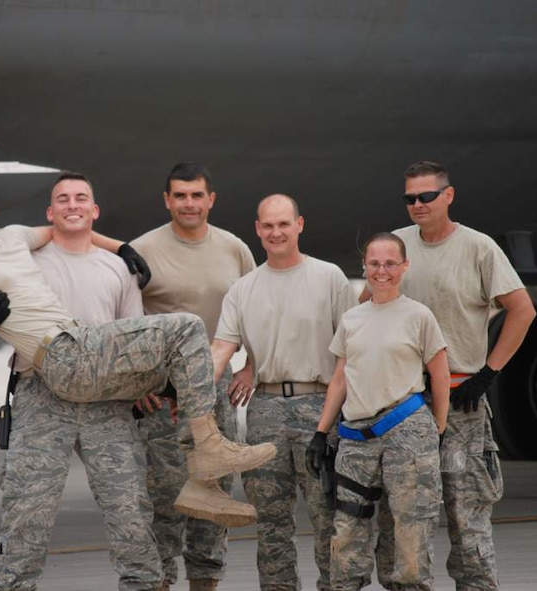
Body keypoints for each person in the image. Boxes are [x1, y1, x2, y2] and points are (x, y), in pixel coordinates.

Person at [0, 183, 278, 527]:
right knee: (187, 326)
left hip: (88, 353)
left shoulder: (14, 237)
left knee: (175, 363)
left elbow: (64, 229)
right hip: (66, 356)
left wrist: (120, 248)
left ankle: (201, 482)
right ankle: (209, 449)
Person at [0, 172, 163, 591]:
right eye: (63, 200)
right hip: (41, 394)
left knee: (130, 510)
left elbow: (133, 334)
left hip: (107, 400)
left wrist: (142, 386)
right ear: (50, 213)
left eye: (81, 198)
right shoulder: (24, 264)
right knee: (27, 510)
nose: (73, 205)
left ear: (94, 210)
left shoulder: (116, 268)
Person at [370, 161, 536, 590]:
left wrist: (489, 373)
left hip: (462, 403)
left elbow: (522, 310)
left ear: (448, 195)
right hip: (404, 408)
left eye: (427, 196)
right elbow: (367, 310)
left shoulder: (478, 248)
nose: (418, 205)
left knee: (467, 516)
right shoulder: (396, 246)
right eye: (410, 198)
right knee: (402, 517)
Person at [211, 194, 355, 591]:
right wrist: (190, 387)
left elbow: (352, 348)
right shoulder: (243, 289)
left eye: (283, 224)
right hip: (265, 410)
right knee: (271, 527)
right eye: (268, 226)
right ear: (257, 230)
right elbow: (222, 348)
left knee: (329, 518)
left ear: (299, 225)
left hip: (320, 407)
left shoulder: (330, 278)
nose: (276, 232)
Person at [129, 162, 255, 591]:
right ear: (167, 200)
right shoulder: (142, 249)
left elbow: (254, 310)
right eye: (179, 195)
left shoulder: (234, 249)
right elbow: (122, 322)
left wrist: (253, 364)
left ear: (210, 200)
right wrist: (137, 383)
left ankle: (205, 581)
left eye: (196, 195)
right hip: (163, 396)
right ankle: (161, 579)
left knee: (214, 492)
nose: (188, 203)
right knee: (165, 497)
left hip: (215, 390)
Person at [307, 232, 450, 591]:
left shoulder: (419, 316)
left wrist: (439, 428)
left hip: (407, 429)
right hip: (356, 437)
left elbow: (440, 373)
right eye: (374, 264)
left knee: (410, 528)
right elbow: (340, 378)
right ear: (364, 267)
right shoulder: (352, 319)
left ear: (404, 266)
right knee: (347, 531)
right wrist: (321, 432)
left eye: (389, 263)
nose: (381, 271)